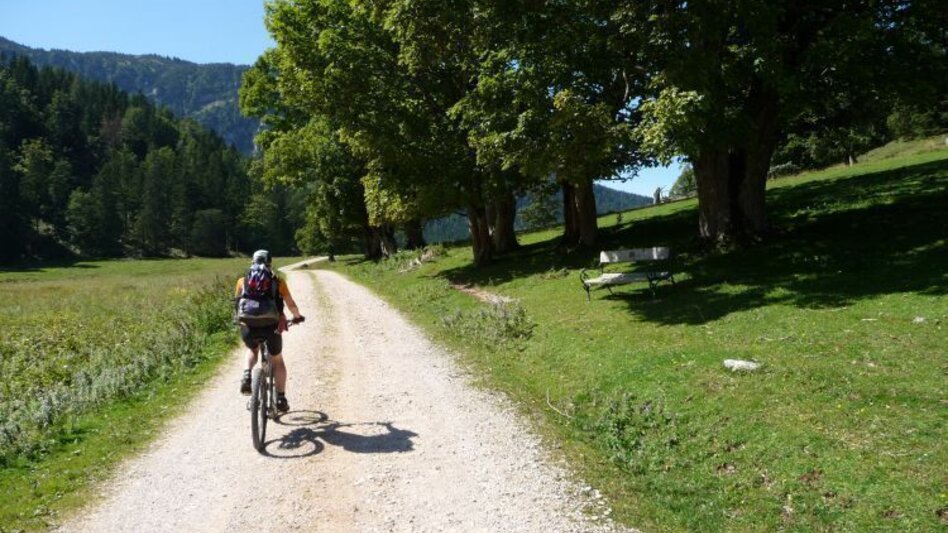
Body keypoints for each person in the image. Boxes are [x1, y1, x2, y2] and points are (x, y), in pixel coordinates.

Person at [234, 250, 303, 412]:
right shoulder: (278, 281)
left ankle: (246, 374)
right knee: (277, 360)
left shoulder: (242, 281)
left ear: (252, 262)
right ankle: (280, 398)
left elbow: (237, 304)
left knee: (252, 349)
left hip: (249, 326)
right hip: (272, 327)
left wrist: (240, 320)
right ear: (270, 263)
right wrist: (297, 317)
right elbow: (291, 304)